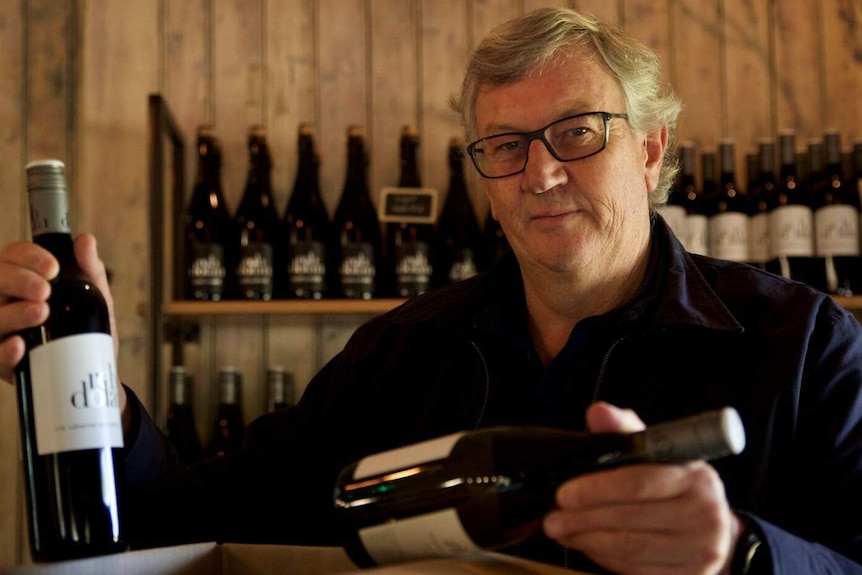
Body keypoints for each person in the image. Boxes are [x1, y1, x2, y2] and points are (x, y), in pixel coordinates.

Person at [3, 7, 862, 574]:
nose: (542, 172)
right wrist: (92, 389)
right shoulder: (402, 352)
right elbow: (200, 513)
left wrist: (746, 553)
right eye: (506, 145)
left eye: (576, 132)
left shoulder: (806, 343)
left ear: (648, 148)